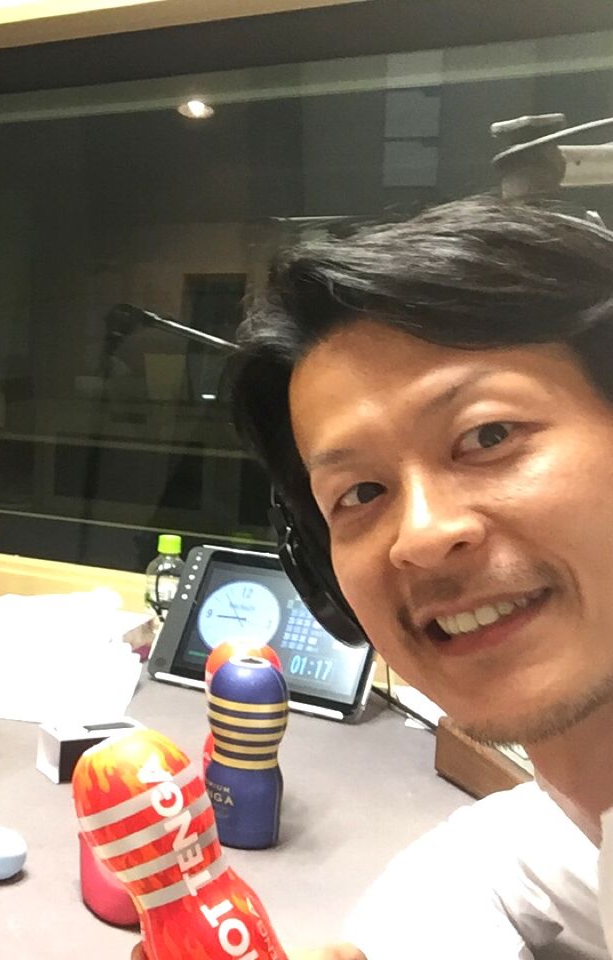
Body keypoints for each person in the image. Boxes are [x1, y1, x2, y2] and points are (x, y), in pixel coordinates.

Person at [224, 195, 613, 958]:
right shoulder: (584, 803)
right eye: (362, 492)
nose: (423, 536)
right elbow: (507, 855)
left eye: (489, 435)